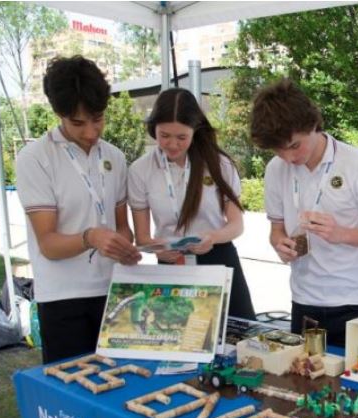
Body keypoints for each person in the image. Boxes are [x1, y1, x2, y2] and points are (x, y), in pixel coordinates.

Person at [16, 56, 141, 364]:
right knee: (72, 396)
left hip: (114, 292)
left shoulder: (114, 156)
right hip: (62, 298)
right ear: (59, 113)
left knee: (122, 385)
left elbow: (122, 225)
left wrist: (123, 246)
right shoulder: (35, 158)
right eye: (78, 123)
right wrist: (91, 237)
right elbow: (48, 244)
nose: (90, 132)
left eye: (97, 119)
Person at [251, 78, 358, 348]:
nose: (289, 157)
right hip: (304, 299)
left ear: (313, 124)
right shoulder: (275, 170)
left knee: (356, 385)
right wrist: (279, 244)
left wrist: (340, 234)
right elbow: (276, 228)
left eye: (294, 145)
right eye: (278, 150)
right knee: (305, 380)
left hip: (356, 300)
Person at [128, 88, 256, 320]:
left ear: (195, 131)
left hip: (218, 259)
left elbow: (236, 225)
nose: (172, 145)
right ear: (153, 128)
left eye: (181, 137)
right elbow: (142, 239)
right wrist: (157, 249)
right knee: (177, 338)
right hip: (171, 264)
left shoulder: (219, 164)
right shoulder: (140, 170)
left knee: (238, 338)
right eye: (164, 135)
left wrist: (214, 238)